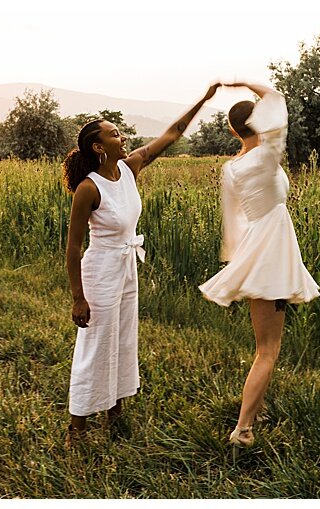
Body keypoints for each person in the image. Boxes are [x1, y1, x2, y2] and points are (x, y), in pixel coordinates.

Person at [64, 83, 219, 443]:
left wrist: (204, 100)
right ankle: (77, 428)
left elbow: (172, 134)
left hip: (126, 265)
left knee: (123, 337)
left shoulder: (131, 168)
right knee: (96, 344)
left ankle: (115, 413)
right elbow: (73, 248)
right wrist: (77, 297)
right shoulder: (89, 188)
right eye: (114, 134)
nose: (123, 137)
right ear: (98, 147)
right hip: (100, 270)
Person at [197, 81, 320, 447]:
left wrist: (240, 262)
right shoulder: (267, 155)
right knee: (268, 349)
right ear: (256, 125)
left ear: (233, 130)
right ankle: (243, 428)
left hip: (257, 248)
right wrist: (245, 83)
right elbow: (277, 98)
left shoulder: (231, 168)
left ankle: (257, 406)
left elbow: (232, 221)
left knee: (265, 344)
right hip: (270, 254)